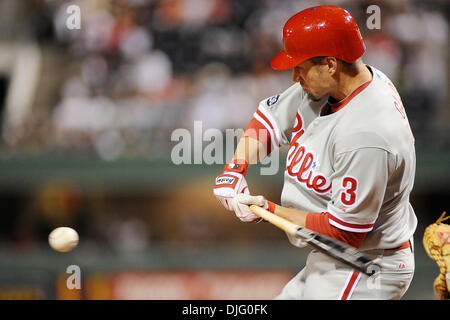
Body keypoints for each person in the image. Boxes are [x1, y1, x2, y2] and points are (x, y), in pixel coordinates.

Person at [213, 5, 417, 300]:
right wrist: (236, 168)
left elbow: (344, 231)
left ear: (330, 64)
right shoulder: (333, 83)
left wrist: (266, 210)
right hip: (332, 256)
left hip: (366, 264)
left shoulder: (368, 134)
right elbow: (268, 121)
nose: (295, 75)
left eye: (300, 66)